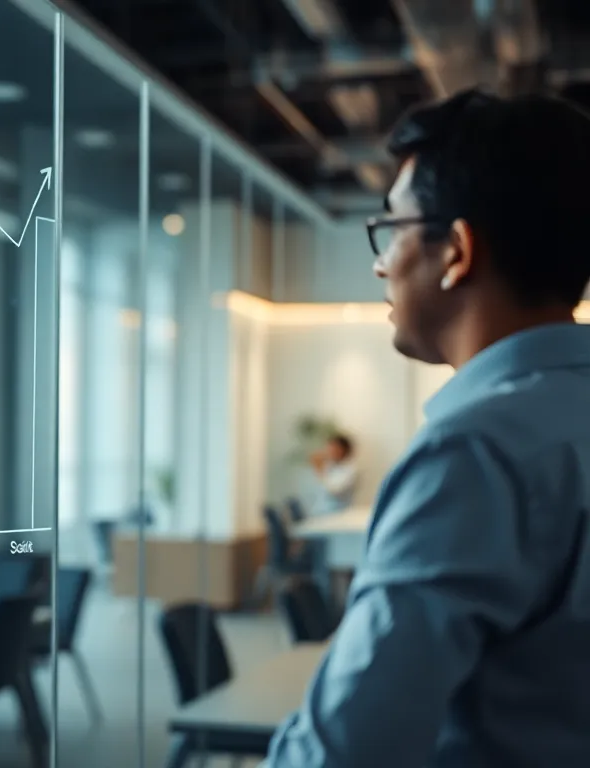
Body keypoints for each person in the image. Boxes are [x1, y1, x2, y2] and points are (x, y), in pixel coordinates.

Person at [265, 89, 590, 766]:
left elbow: (347, 750)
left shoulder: (474, 453)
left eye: (392, 230)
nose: (382, 264)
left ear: (458, 251)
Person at [308, 432, 358, 515]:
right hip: (320, 513)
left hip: (339, 514)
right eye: (329, 447)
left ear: (343, 450)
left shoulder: (351, 470)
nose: (329, 451)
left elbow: (334, 491)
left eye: (333, 447)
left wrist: (320, 471)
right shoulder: (329, 466)